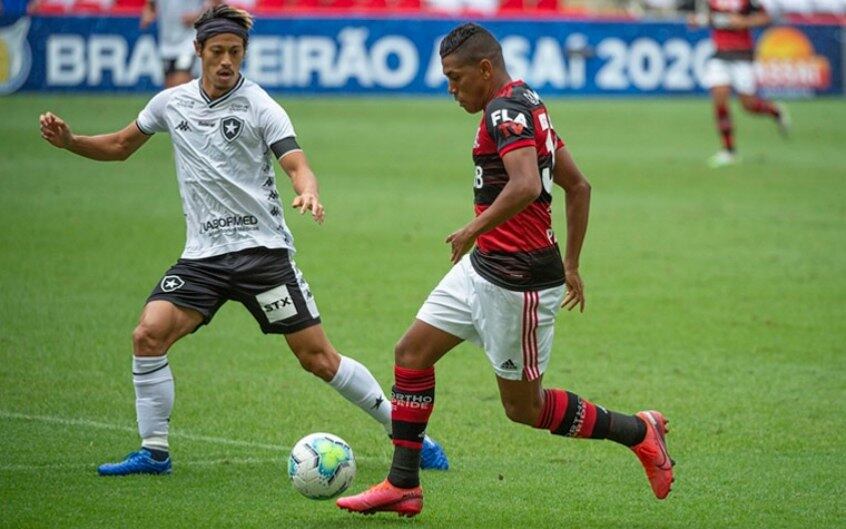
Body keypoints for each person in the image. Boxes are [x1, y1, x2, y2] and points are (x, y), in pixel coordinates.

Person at [38, 4, 448, 476]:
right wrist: (71, 141)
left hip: (262, 255)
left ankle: (410, 435)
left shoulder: (259, 104)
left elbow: (295, 162)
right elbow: (118, 146)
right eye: (217, 51)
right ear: (198, 51)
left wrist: (309, 192)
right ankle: (154, 453)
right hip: (202, 260)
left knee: (317, 358)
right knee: (147, 335)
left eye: (235, 51)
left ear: (245, 52)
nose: (226, 61)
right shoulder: (170, 104)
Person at [336, 23, 674, 518]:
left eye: (455, 78)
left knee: (524, 409)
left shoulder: (505, 110)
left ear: (485, 69)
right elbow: (577, 186)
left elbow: (523, 187)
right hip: (483, 268)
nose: (451, 89)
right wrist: (572, 263)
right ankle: (403, 485)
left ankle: (640, 432)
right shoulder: (527, 101)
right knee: (410, 353)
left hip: (518, 282)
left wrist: (475, 227)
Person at [689, 0, 790, 168]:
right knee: (720, 99)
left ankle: (775, 110)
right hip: (720, 54)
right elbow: (709, 18)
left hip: (742, 56)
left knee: (748, 105)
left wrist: (744, 22)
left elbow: (766, 17)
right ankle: (729, 151)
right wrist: (697, 21)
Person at [140, 0, 222, 88]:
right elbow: (151, 5)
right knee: (170, 91)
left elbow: (216, 4)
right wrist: (148, 15)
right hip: (166, 44)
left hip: (189, 42)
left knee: (181, 87)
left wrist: (199, 16)